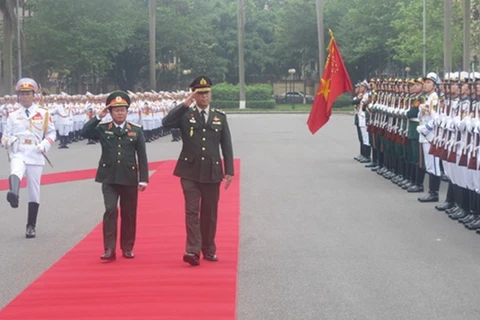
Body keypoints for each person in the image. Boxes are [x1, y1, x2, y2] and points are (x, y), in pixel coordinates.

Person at [162, 76, 234, 266]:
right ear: (194, 95)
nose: (204, 97)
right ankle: (192, 251)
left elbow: (226, 145)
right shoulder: (185, 115)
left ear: (211, 94)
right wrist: (184, 104)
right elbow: (166, 122)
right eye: (199, 93)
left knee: (209, 213)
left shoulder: (220, 116)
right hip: (189, 171)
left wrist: (229, 171)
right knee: (192, 211)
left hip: (212, 171)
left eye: (206, 93)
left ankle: (208, 249)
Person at [80, 91, 148, 261]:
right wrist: (98, 116)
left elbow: (142, 156)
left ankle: (127, 247)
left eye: (123, 109)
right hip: (109, 177)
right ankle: (109, 249)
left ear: (127, 111)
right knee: (110, 210)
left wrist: (143, 179)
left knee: (129, 213)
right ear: (110, 112)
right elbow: (85, 133)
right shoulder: (103, 129)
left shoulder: (136, 130)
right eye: (116, 110)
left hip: (129, 178)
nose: (120, 112)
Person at [2, 78, 57, 238]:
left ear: (34, 95)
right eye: (22, 94)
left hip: (35, 152)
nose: (25, 97)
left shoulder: (44, 113)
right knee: (16, 170)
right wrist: (9, 141)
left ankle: (31, 225)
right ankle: (14, 194)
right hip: (18, 150)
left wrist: (45, 145)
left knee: (34, 190)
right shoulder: (12, 115)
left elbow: (52, 133)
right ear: (18, 96)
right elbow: (5, 136)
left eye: (28, 94)